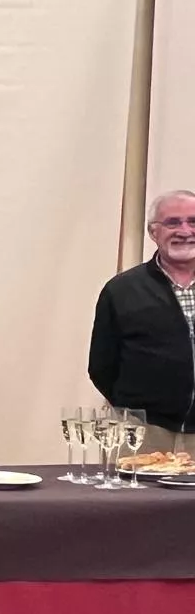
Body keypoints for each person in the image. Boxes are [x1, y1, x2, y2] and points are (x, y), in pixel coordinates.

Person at [89, 189, 195, 453]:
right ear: (153, 232)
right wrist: (138, 409)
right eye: (173, 222)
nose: (185, 230)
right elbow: (102, 365)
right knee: (136, 495)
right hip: (143, 433)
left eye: (193, 222)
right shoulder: (122, 290)